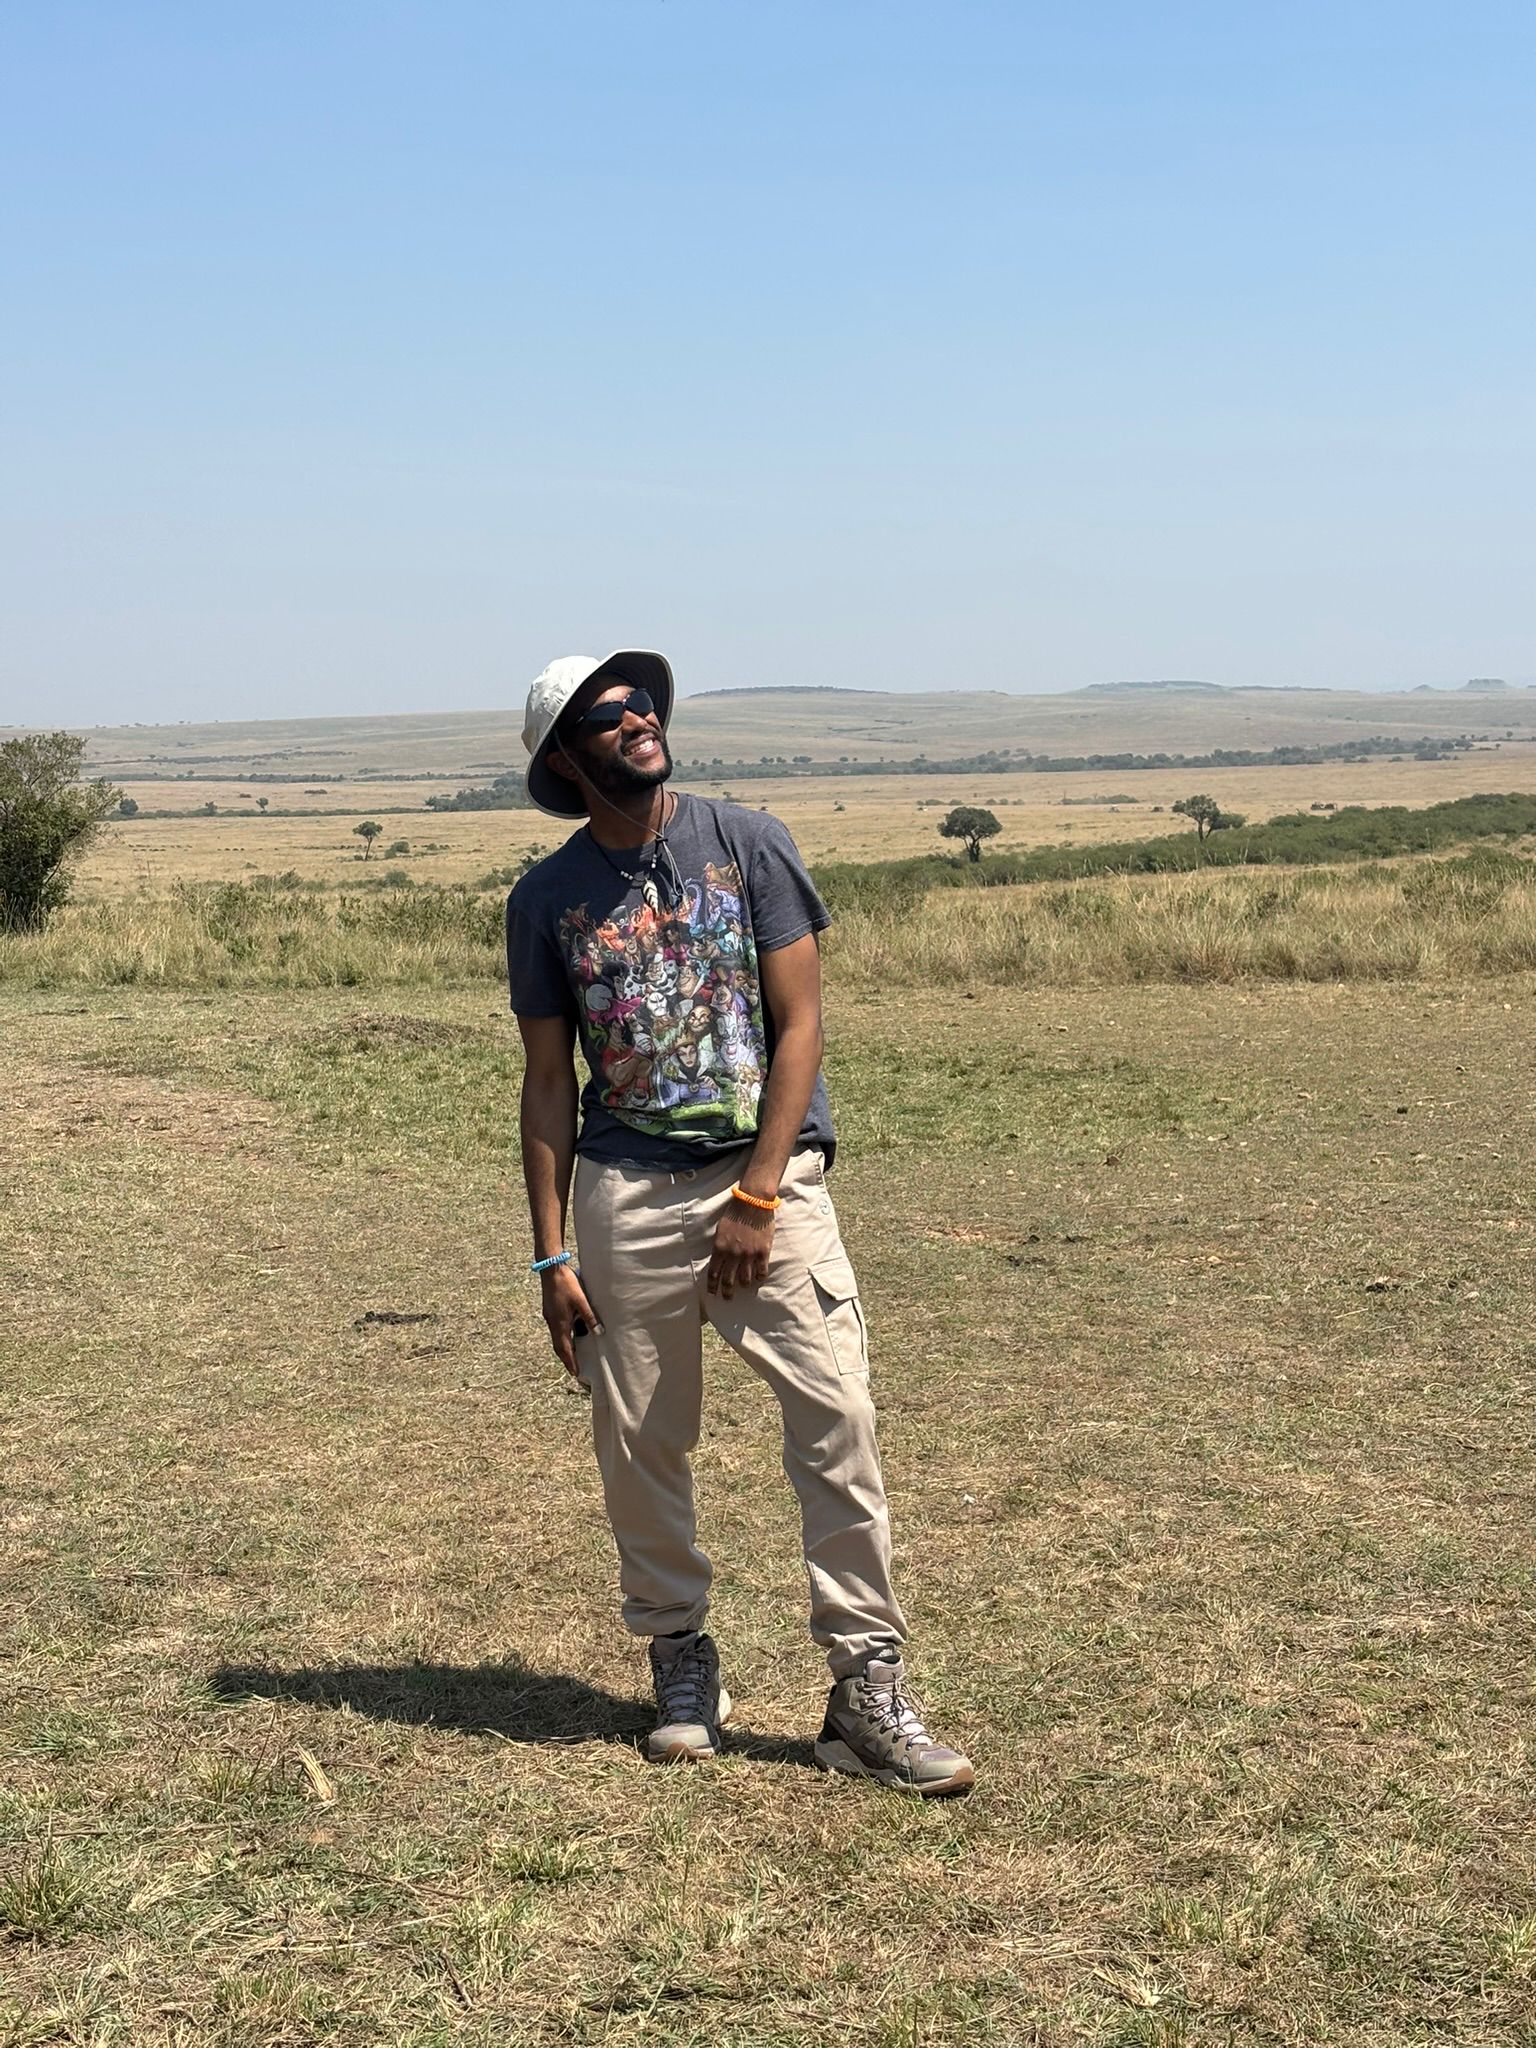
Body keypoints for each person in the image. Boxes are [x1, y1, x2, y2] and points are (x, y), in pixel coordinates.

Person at [506, 649, 973, 1796]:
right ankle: (680, 1654)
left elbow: (799, 1022)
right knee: (639, 1439)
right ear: (566, 758)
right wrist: (553, 1250)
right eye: (607, 714)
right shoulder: (546, 898)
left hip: (769, 1182)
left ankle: (864, 1686)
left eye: (643, 701)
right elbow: (550, 1081)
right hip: (623, 1191)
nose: (638, 717)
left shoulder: (748, 841)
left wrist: (761, 1192)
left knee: (838, 1414)